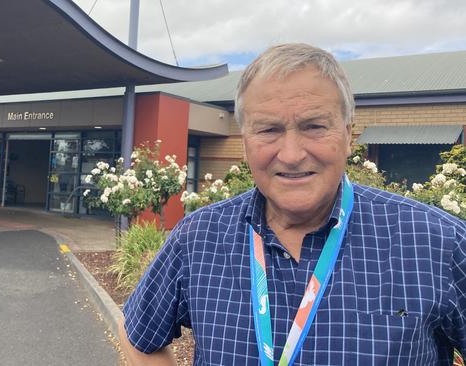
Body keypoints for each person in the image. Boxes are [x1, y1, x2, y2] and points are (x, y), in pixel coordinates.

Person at [118, 43, 466, 365]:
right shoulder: (198, 238)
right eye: (268, 130)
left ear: (348, 135)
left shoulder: (440, 243)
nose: (291, 154)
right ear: (245, 142)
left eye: (314, 126)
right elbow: (137, 335)